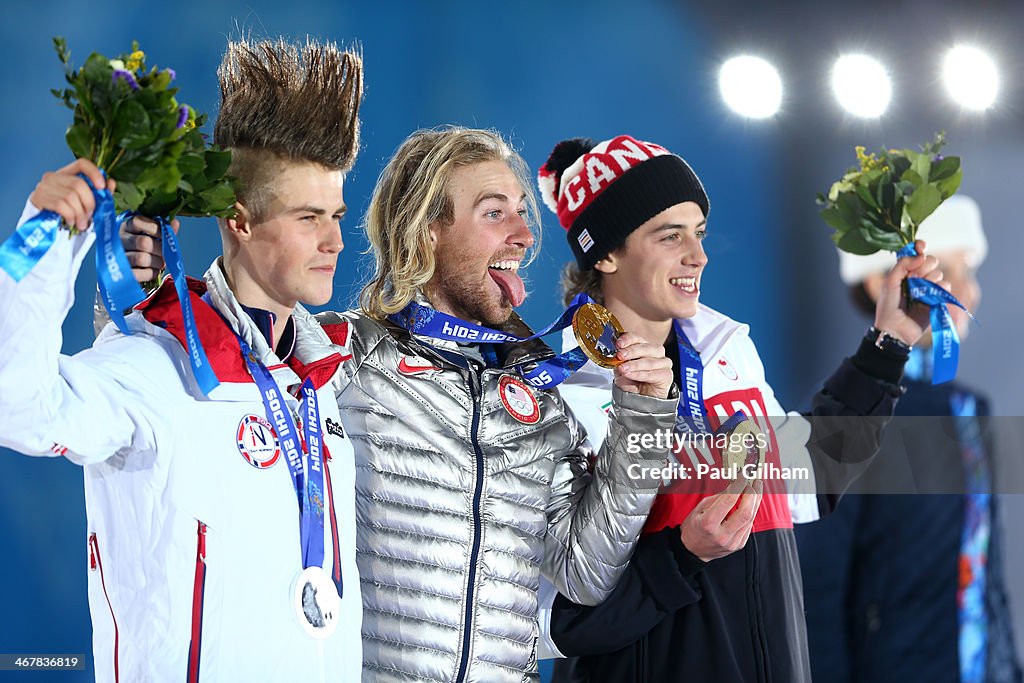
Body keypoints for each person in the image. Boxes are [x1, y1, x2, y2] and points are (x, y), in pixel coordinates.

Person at [118, 126, 680, 682]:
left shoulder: (540, 403)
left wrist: (643, 417)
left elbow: (584, 574)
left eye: (521, 213)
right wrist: (133, 295)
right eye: (493, 213)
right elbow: (206, 381)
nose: (523, 236)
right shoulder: (342, 355)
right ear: (426, 231)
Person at [0, 38, 364, 681]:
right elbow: (17, 408)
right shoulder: (153, 367)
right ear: (239, 220)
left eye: (335, 214)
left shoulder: (323, 382)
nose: (335, 239)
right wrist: (44, 241)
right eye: (309, 217)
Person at [532, 134, 942, 683]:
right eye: (669, 236)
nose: (698, 255)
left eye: (698, 233)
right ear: (604, 252)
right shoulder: (559, 396)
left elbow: (812, 474)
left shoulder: (726, 352)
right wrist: (682, 555)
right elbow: (558, 626)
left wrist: (888, 344)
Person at [796, 195, 1023, 683]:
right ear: (885, 282)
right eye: (949, 273)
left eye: (970, 272)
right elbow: (817, 585)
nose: (970, 291)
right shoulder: (848, 413)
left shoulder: (969, 408)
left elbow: (982, 568)